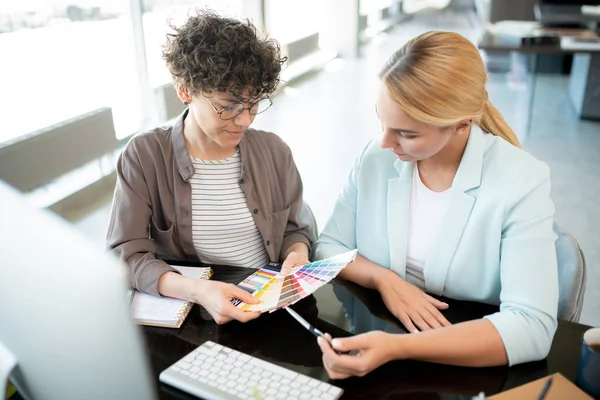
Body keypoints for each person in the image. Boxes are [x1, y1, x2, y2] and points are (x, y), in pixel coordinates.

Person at [314, 31, 559, 378]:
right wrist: (384, 279)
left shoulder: (522, 180)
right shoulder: (377, 156)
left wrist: (397, 349)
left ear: (462, 124)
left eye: (407, 133)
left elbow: (532, 328)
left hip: (467, 359)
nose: (384, 142)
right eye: (383, 122)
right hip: (378, 336)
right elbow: (328, 248)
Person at [106, 9, 315, 325]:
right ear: (185, 91)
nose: (244, 119)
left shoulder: (274, 151)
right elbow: (125, 255)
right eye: (228, 106)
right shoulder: (145, 155)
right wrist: (197, 290)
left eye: (253, 103)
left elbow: (295, 228)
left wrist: (297, 255)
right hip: (194, 318)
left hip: (268, 310)